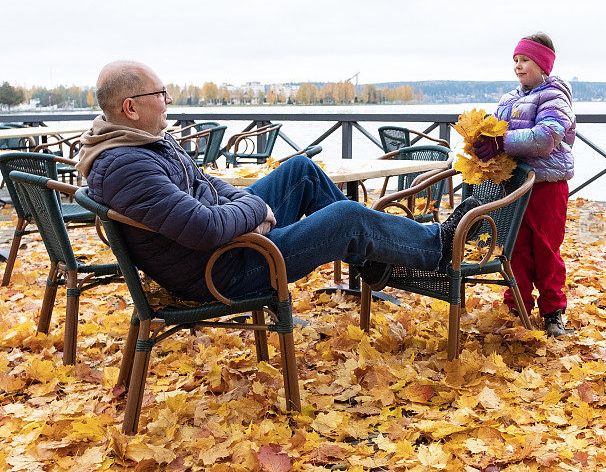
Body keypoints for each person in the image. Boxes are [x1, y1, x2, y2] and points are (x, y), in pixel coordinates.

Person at [77, 61, 481, 302]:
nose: (168, 100)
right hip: (220, 271)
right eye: (160, 94)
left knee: (299, 171)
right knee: (347, 218)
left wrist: (242, 207)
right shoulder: (127, 164)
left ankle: (373, 260)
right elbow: (203, 228)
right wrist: (256, 210)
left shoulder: (142, 143)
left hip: (229, 244)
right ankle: (436, 248)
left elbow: (210, 185)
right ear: (130, 107)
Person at [473, 33, 575, 337]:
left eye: (525, 60)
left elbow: (546, 138)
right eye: (515, 60)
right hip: (513, 185)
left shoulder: (555, 97)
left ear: (543, 64)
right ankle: (516, 304)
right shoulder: (508, 100)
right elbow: (493, 131)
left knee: (545, 248)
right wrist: (483, 143)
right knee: (514, 246)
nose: (518, 66)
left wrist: (501, 142)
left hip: (546, 184)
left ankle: (553, 311)